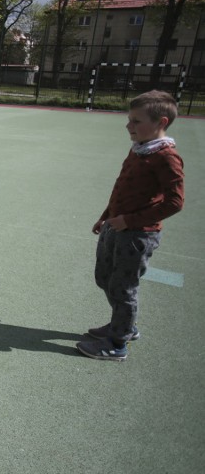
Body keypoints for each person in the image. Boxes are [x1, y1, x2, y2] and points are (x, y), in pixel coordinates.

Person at [76, 90, 184, 361]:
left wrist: (129, 221)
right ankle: (122, 324)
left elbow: (175, 202)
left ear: (161, 122)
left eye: (136, 121)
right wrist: (106, 215)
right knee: (104, 278)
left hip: (137, 234)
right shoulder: (139, 150)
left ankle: (117, 343)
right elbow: (121, 189)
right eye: (129, 120)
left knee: (123, 288)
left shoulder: (166, 157)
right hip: (116, 226)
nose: (129, 126)